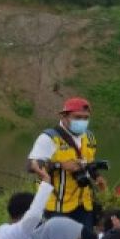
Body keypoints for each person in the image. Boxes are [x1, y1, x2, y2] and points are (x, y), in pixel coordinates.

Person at [27, 96, 102, 229]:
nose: (82, 121)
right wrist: (60, 165)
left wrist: (97, 176)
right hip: (57, 206)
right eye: (77, 117)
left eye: (86, 118)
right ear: (64, 116)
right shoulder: (49, 137)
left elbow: (88, 162)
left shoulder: (89, 137)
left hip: (84, 205)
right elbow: (31, 165)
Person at [0, 174, 54, 239]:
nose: (42, 220)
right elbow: (33, 216)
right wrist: (46, 184)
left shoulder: (31, 238)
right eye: (41, 217)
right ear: (25, 215)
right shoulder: (6, 233)